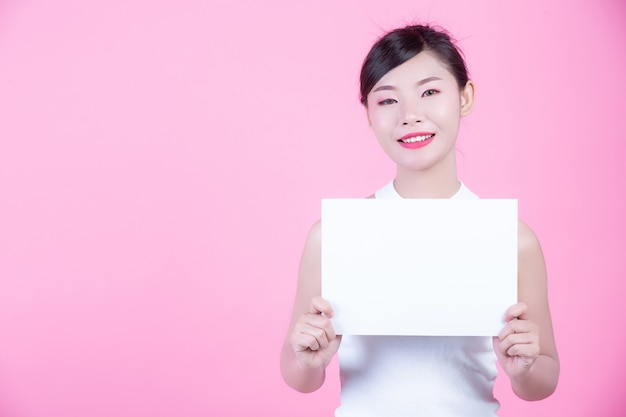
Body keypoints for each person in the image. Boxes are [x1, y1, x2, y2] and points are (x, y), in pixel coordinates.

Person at [280, 24, 559, 416]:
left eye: (429, 92)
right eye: (387, 100)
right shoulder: (334, 236)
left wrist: (523, 368)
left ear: (465, 97)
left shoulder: (511, 239)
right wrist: (310, 359)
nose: (410, 115)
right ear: (368, 115)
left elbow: (543, 381)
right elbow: (296, 373)